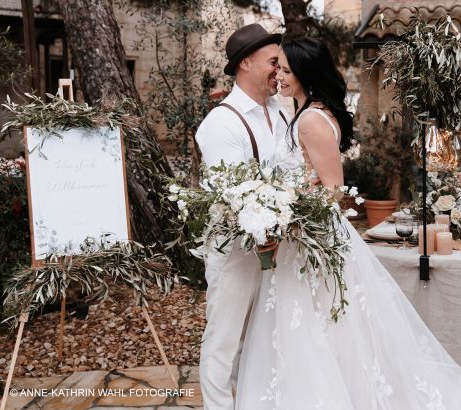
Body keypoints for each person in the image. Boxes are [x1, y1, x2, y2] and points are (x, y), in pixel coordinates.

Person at [234, 37, 461, 409]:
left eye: (287, 70)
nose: (279, 75)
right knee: (326, 331)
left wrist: (285, 210)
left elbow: (333, 189)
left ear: (306, 73)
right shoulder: (310, 112)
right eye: (278, 67)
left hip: (312, 240)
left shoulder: (309, 119)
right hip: (307, 237)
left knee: (319, 329)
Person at [194, 23, 289, 410]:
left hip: (277, 249)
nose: (279, 72)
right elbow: (231, 195)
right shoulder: (223, 122)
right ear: (246, 63)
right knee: (224, 343)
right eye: (272, 62)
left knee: (263, 340)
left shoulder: (278, 114)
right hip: (234, 253)